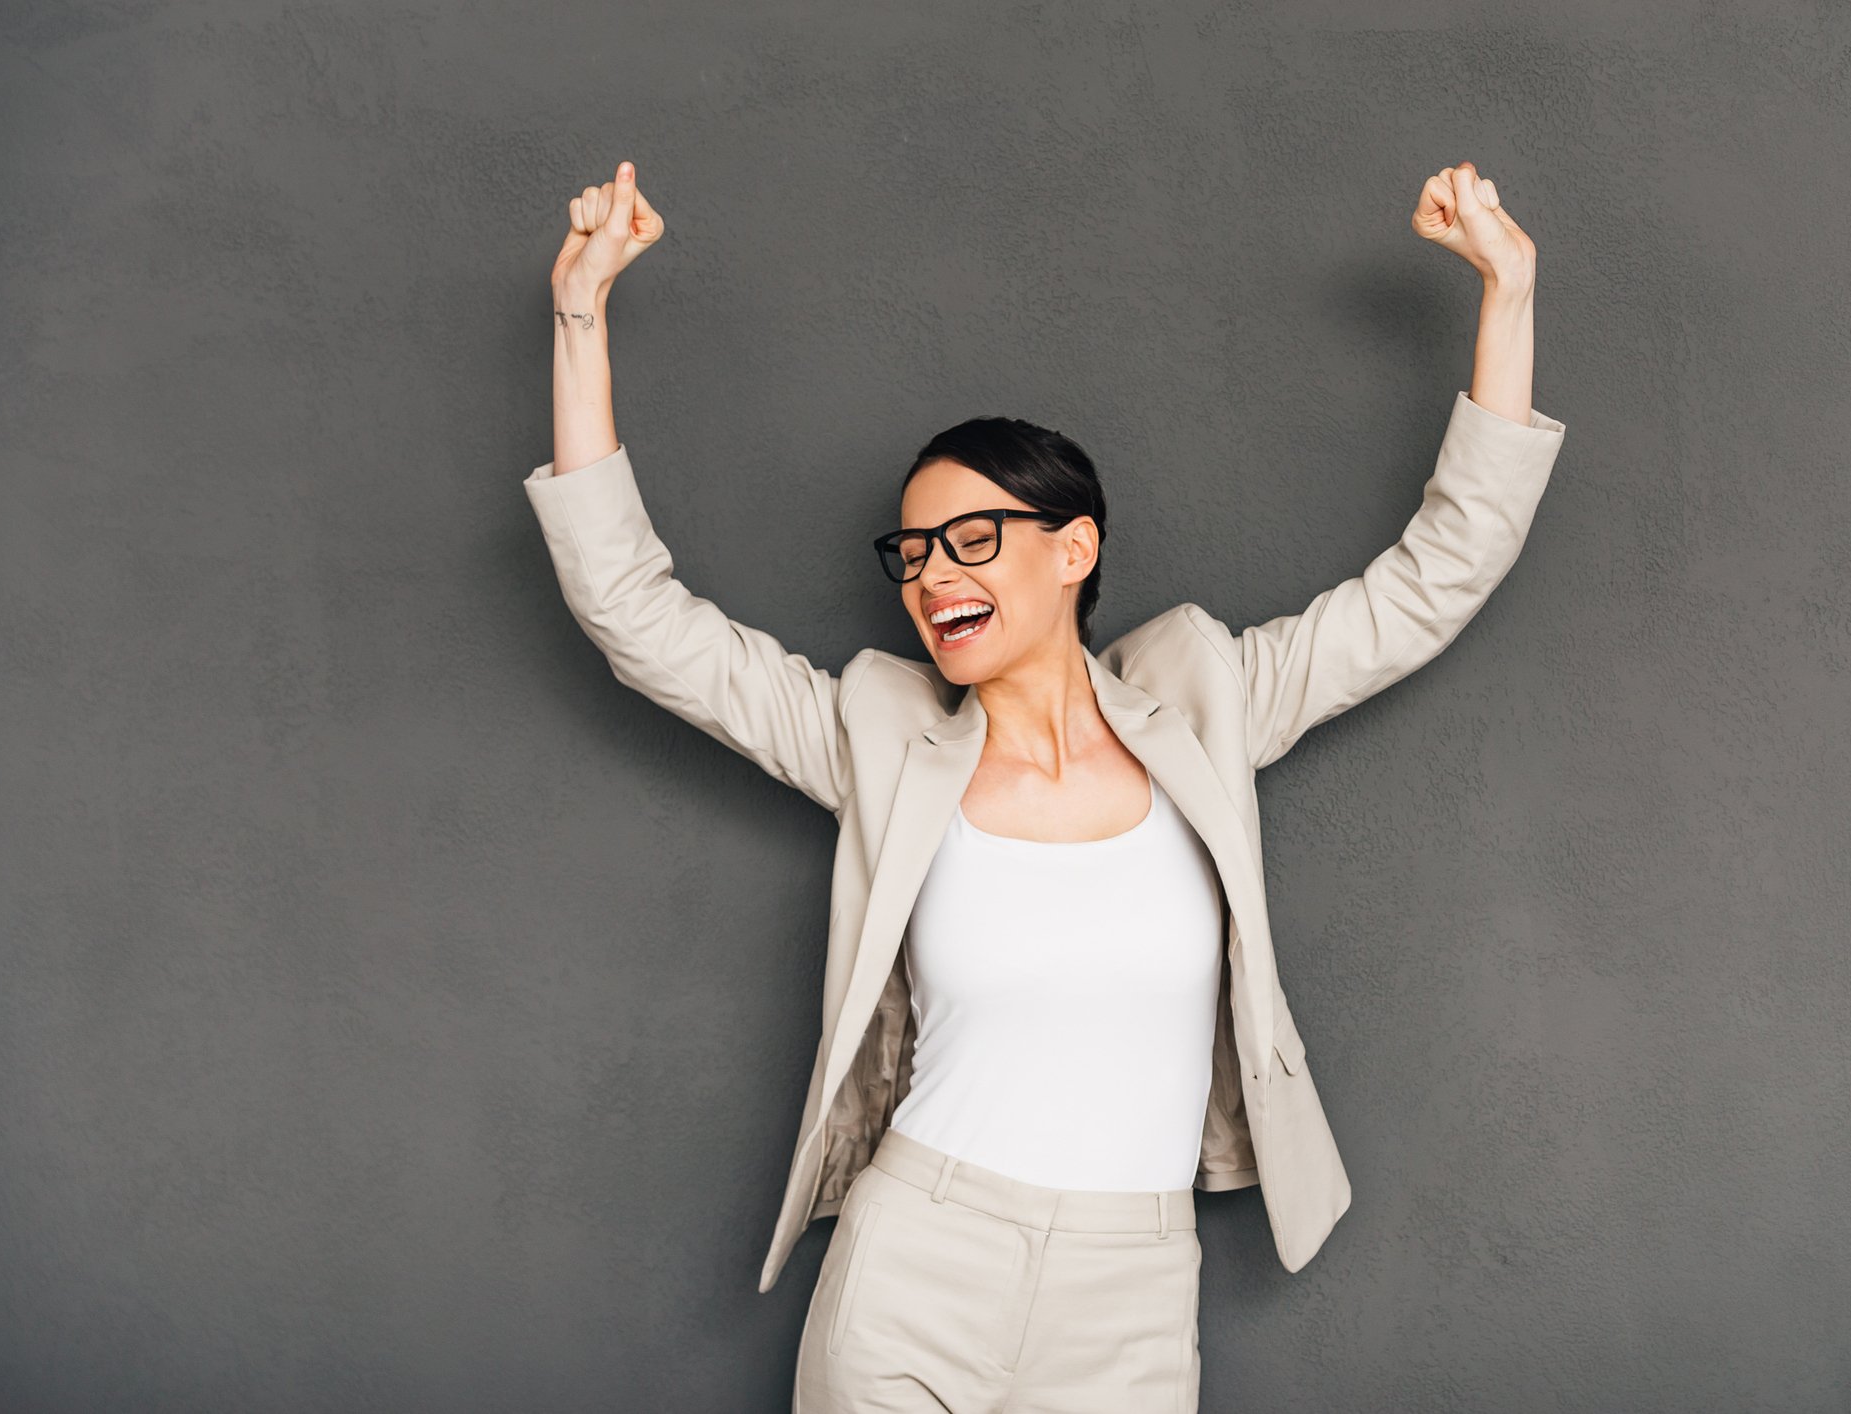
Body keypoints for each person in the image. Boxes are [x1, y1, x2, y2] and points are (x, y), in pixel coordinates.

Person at [526, 158, 1566, 1413]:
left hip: (1127, 1289)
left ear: (1072, 550)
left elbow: (1430, 579)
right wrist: (578, 315)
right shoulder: (876, 737)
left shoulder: (1208, 709)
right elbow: (638, 616)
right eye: (912, 552)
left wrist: (1505, 294)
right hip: (916, 1257)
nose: (933, 574)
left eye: (975, 539)